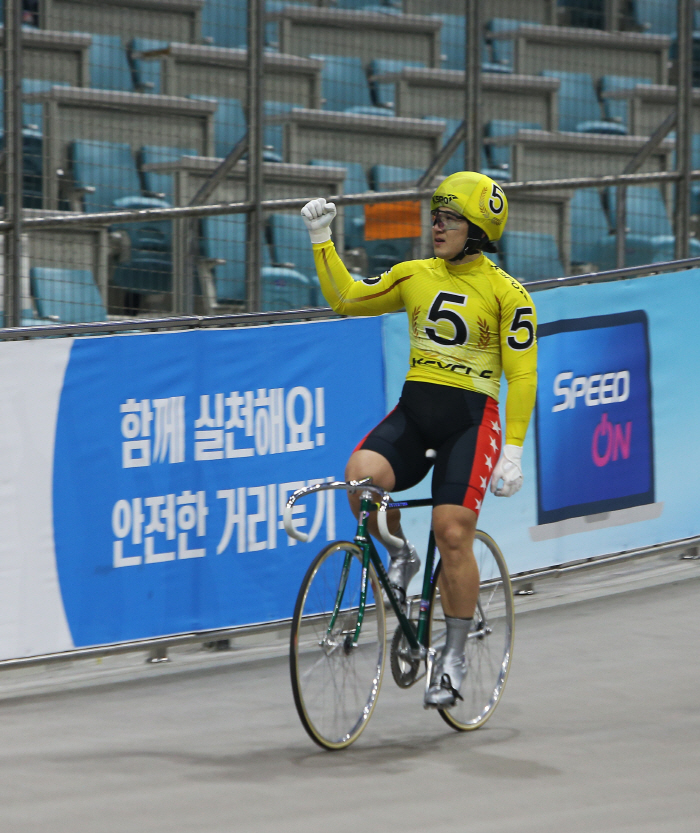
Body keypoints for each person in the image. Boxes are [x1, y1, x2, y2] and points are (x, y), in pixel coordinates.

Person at [300, 171, 537, 708]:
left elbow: (522, 375)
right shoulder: (414, 274)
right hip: (415, 412)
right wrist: (321, 240)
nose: (437, 226)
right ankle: (401, 554)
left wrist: (513, 451)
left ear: (478, 230)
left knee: (451, 532)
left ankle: (451, 659)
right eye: (435, 216)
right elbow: (346, 299)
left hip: (470, 423)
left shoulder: (508, 293)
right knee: (360, 480)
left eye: (450, 218)